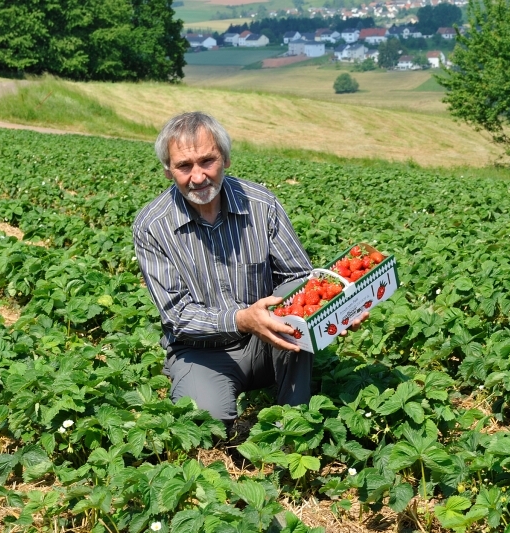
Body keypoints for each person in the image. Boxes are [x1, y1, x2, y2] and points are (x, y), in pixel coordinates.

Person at [132, 111, 364, 432]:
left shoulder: (261, 204)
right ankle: (234, 428)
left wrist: (334, 312)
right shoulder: (153, 226)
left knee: (292, 297)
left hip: (269, 340)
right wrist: (241, 319)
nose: (198, 176)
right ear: (168, 171)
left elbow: (298, 277)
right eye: (184, 166)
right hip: (201, 352)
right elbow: (177, 315)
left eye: (207, 161)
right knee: (206, 425)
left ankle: (294, 425)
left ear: (225, 159)